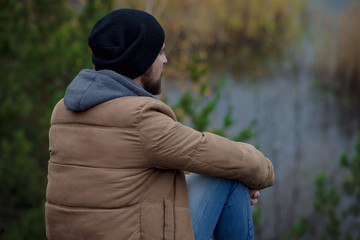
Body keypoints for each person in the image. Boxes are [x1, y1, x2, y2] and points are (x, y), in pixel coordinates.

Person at [45, 8, 275, 240]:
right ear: (141, 60)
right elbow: (217, 155)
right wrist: (263, 171)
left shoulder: (63, 110)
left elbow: (116, 187)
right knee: (230, 173)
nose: (165, 60)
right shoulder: (140, 118)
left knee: (227, 174)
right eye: (160, 52)